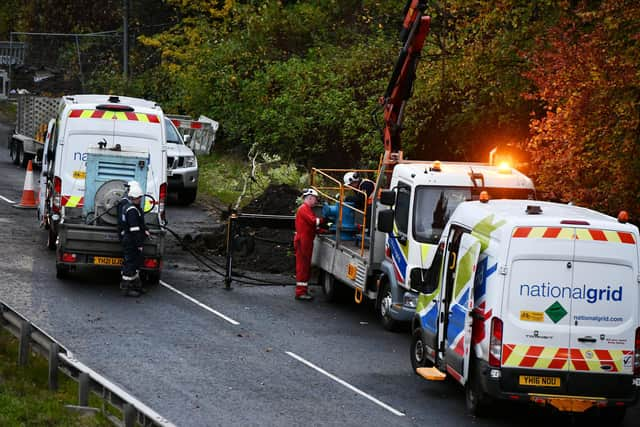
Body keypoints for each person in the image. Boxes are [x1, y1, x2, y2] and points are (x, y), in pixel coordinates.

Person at [118, 180, 148, 297]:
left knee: (135, 263)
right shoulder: (132, 210)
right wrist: (139, 244)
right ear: (135, 197)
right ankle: (126, 288)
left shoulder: (129, 207)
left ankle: (136, 285)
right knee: (130, 263)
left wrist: (144, 230)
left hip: (129, 239)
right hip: (131, 240)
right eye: (139, 197)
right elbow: (134, 228)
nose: (140, 199)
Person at [294, 188, 324, 301]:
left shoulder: (306, 209)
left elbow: (311, 226)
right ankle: (300, 292)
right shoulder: (304, 209)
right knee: (303, 267)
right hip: (303, 241)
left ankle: (302, 290)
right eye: (315, 199)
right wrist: (323, 220)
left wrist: (321, 230)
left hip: (305, 241)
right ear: (310, 198)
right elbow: (313, 221)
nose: (316, 202)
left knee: (305, 266)